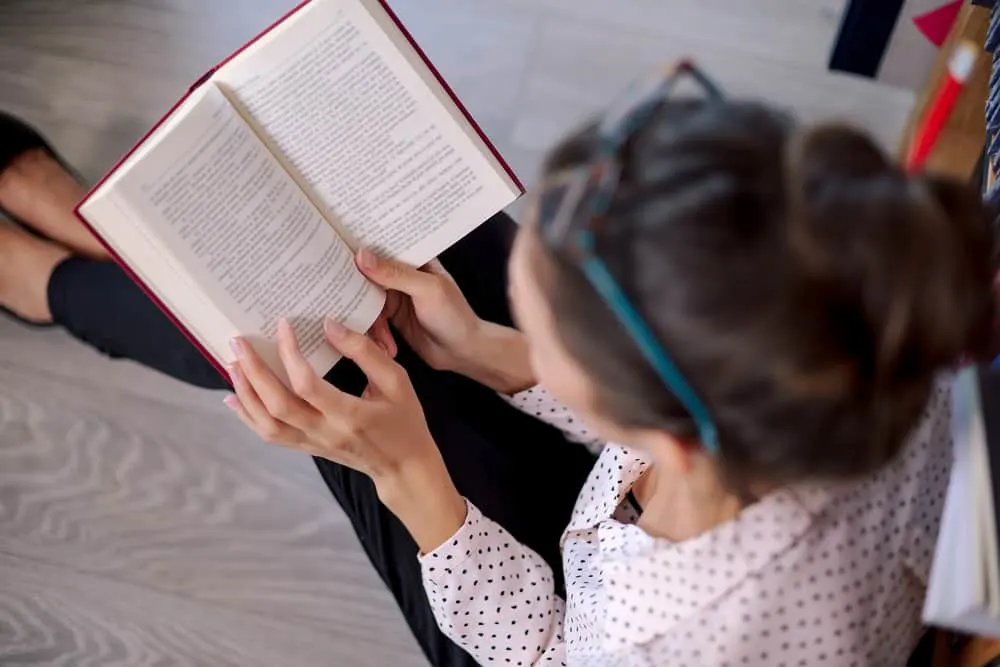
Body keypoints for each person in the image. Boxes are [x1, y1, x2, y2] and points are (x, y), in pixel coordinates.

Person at [222, 64, 998, 666]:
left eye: (545, 329)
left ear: (665, 430)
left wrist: (408, 478)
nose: (519, 318)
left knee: (347, 407)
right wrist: (489, 351)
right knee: (443, 255)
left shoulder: (661, 636)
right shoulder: (876, 328)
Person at [0, 111, 596, 666]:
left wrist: (407, 470)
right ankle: (115, 251)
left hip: (540, 628)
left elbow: (539, 648)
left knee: (322, 352)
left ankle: (58, 280)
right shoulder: (678, 411)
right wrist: (481, 348)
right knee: (421, 237)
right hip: (622, 457)